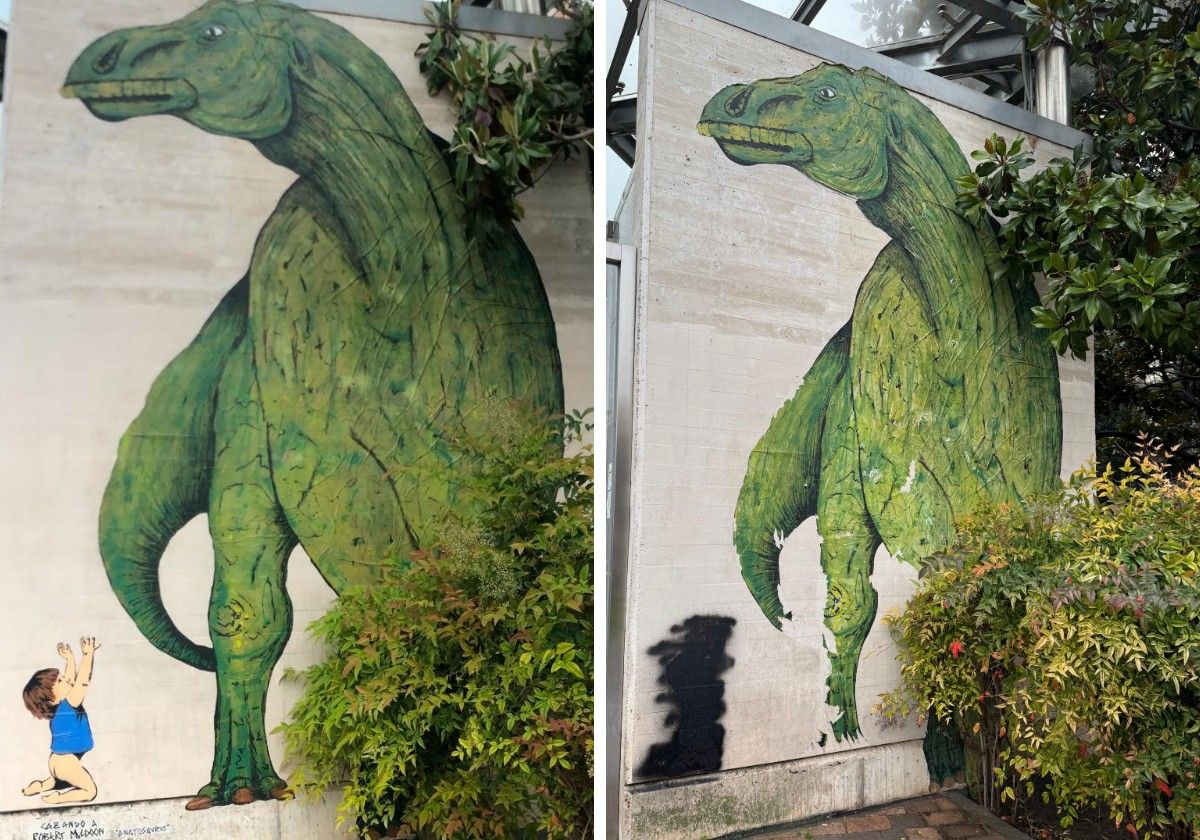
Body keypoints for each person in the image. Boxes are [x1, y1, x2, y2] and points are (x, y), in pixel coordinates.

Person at [21, 637, 101, 804]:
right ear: (52, 699)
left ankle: (38, 786)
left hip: (57, 762)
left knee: (59, 781)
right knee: (90, 791)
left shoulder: (59, 708)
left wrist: (70, 659)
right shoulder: (68, 706)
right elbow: (82, 682)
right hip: (66, 762)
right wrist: (87, 655)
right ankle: (58, 798)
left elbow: (71, 680)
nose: (66, 679)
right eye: (60, 680)